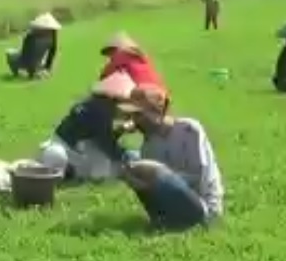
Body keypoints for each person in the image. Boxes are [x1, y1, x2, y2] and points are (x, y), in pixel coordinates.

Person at [119, 84, 224, 231]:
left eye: (138, 114)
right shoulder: (148, 146)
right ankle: (162, 221)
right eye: (131, 115)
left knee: (148, 169)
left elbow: (198, 176)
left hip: (204, 208)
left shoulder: (189, 130)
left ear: (157, 112)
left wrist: (160, 174)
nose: (134, 120)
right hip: (174, 212)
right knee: (132, 166)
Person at [36, 71, 140, 182]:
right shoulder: (101, 111)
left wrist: (120, 130)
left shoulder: (96, 105)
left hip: (72, 148)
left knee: (101, 166)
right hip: (65, 151)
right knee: (103, 170)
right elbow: (105, 143)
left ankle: (71, 171)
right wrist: (125, 156)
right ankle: (69, 171)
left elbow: (100, 136)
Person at [99, 31, 168, 92]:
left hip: (142, 92)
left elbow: (104, 77)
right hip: (160, 91)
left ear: (115, 49)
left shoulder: (120, 56)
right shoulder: (143, 57)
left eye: (110, 52)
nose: (110, 56)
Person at [6, 12, 61, 79]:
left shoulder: (30, 37)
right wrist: (48, 68)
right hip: (39, 64)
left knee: (10, 53)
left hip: (27, 62)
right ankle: (34, 72)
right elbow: (52, 54)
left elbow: (25, 51)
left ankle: (18, 73)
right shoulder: (51, 40)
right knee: (38, 58)